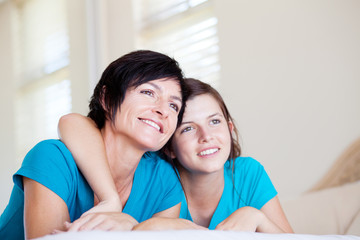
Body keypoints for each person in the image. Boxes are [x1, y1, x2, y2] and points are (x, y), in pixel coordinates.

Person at [0, 50, 193, 240]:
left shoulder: (163, 179)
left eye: (174, 106)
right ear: (107, 98)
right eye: (148, 92)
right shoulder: (52, 159)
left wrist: (133, 227)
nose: (163, 110)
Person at [57, 78, 294, 232]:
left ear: (229, 129)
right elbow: (73, 123)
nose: (206, 136)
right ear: (169, 145)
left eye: (214, 121)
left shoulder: (248, 173)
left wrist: (257, 218)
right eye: (188, 128)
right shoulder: (158, 182)